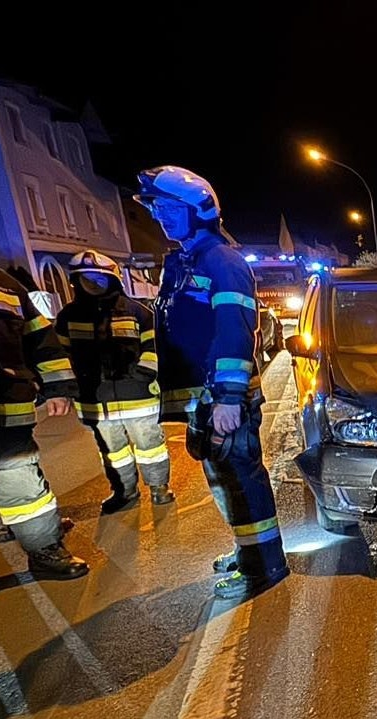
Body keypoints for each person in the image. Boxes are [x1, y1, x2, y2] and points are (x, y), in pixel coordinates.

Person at [134, 167, 287, 599]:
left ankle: (264, 567)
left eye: (170, 207)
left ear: (199, 210)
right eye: (157, 208)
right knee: (226, 482)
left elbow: (232, 332)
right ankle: (249, 551)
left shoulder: (221, 262)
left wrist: (229, 397)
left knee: (241, 481)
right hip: (207, 399)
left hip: (222, 400)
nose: (161, 216)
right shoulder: (187, 261)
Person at [0, 194, 89, 589]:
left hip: (1, 413)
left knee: (24, 489)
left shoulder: (0, 284)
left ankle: (45, 552)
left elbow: (40, 339)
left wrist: (59, 385)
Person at [55, 249, 174, 514]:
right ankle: (124, 492)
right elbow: (60, 357)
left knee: (151, 447)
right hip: (95, 401)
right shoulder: (67, 318)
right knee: (113, 453)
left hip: (138, 396)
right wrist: (68, 387)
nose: (93, 284)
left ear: (114, 280)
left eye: (98, 279)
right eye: (86, 279)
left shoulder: (138, 313)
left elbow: (156, 346)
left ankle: (159, 488)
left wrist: (145, 373)